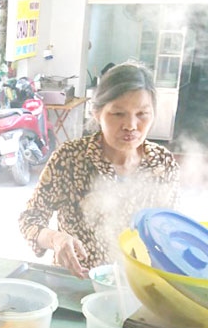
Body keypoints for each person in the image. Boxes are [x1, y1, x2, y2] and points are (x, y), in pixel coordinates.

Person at [18, 62, 180, 278]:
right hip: (77, 283)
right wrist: (56, 239)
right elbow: (29, 220)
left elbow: (170, 232)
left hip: (138, 289)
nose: (131, 125)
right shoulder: (70, 159)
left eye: (142, 114)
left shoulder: (163, 164)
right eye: (118, 114)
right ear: (96, 113)